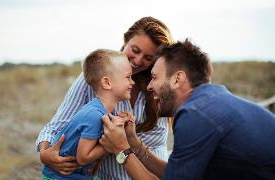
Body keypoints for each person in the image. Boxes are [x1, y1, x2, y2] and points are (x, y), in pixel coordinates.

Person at [99, 39, 275, 180]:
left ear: (177, 79)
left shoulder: (195, 114)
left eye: (154, 77)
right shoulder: (212, 102)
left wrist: (121, 150)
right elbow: (174, 173)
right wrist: (134, 144)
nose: (150, 86)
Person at [35, 16, 174, 179]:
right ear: (126, 40)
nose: (137, 60)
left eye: (148, 58)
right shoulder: (97, 77)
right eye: (135, 50)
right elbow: (59, 125)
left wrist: (122, 142)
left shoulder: (158, 88)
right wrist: (45, 153)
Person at [41, 49, 135, 179]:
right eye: (128, 77)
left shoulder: (107, 111)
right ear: (107, 83)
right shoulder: (93, 115)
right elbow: (83, 158)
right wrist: (111, 143)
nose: (132, 82)